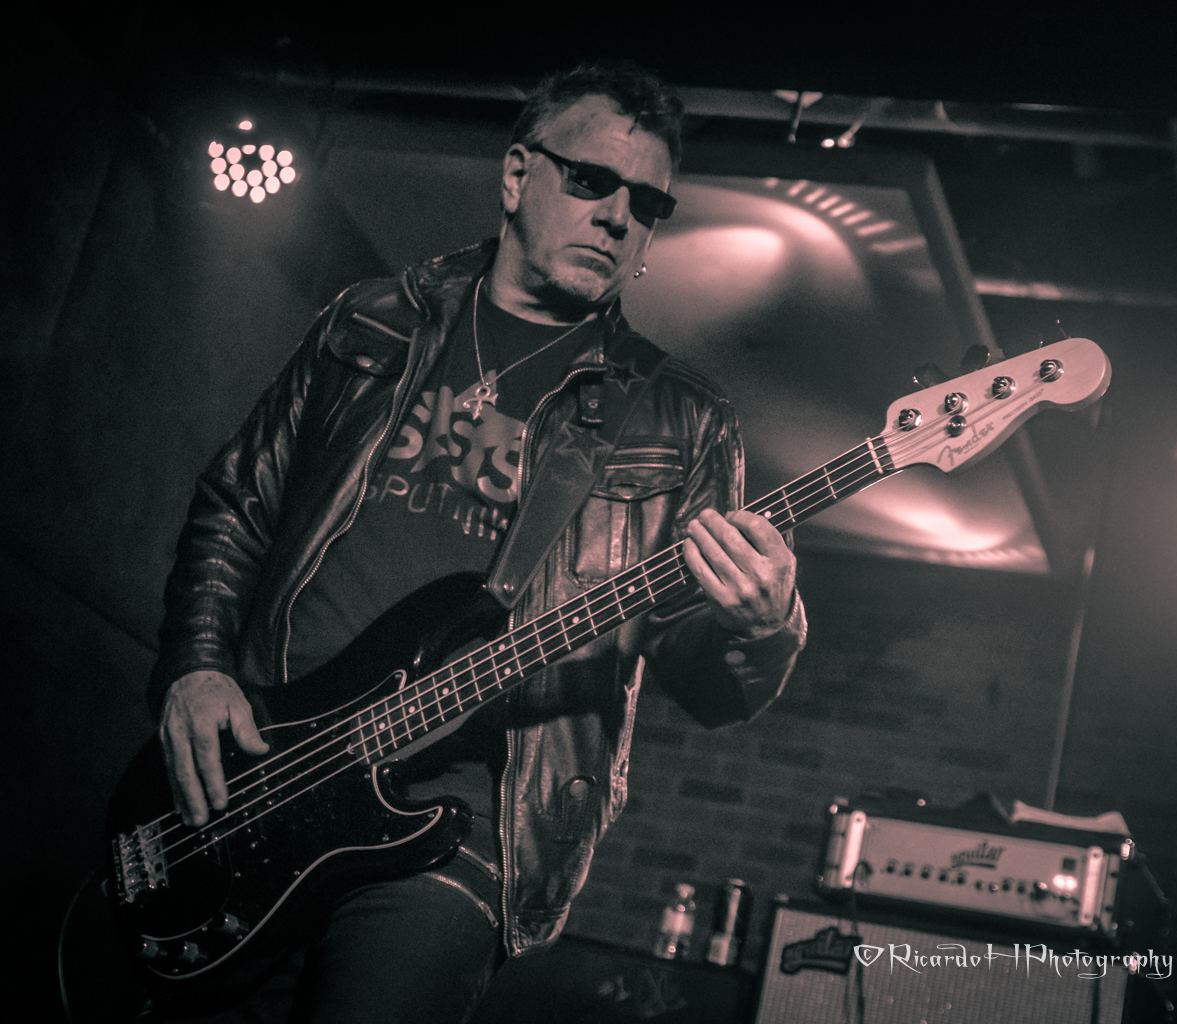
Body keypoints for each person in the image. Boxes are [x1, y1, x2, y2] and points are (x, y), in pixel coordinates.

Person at [148, 60, 806, 1023]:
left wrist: (766, 627)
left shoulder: (681, 421)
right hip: (261, 771)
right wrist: (198, 667)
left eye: (648, 202)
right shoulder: (372, 321)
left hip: (457, 831)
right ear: (516, 175)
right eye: (592, 180)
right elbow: (238, 503)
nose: (619, 217)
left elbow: (706, 685)